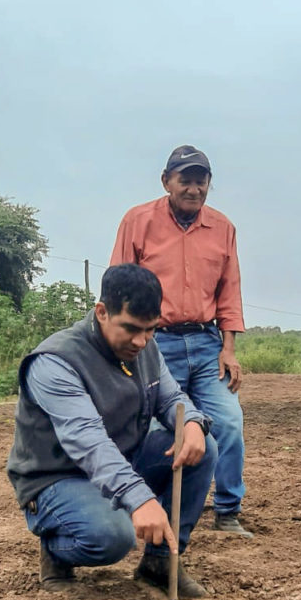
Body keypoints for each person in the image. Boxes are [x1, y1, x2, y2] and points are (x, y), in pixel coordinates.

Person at [7, 263, 217, 598]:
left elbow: (171, 397)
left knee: (202, 448)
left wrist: (191, 421)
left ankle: (160, 564)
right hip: (57, 477)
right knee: (112, 538)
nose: (141, 340)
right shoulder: (55, 361)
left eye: (150, 329)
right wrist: (140, 499)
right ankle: (56, 548)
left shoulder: (146, 345)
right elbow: (89, 443)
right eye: (131, 329)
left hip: (120, 459)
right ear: (102, 312)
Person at [110, 144, 253, 539]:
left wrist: (229, 348)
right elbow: (118, 283)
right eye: (184, 180)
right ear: (166, 181)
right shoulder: (138, 221)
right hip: (156, 343)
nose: (193, 188)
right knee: (159, 428)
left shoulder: (223, 227)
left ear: (209, 184)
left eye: (200, 181)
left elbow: (230, 290)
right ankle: (146, 502)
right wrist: (127, 344)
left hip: (207, 344)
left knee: (227, 421)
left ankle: (227, 510)